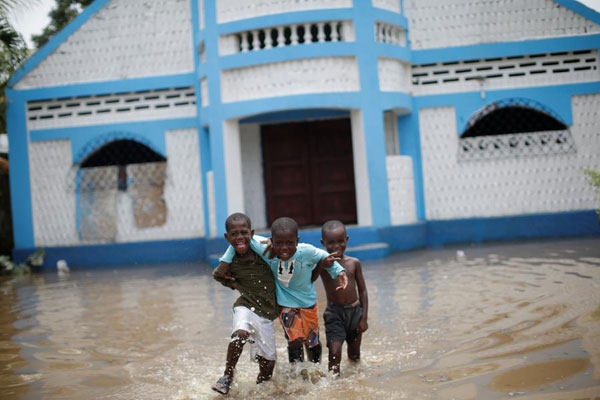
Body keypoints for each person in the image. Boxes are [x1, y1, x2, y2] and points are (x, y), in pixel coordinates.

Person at [216, 216, 348, 367]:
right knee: (295, 340)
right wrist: (225, 261)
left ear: (297, 241)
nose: (284, 248)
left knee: (312, 342)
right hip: (285, 305)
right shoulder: (267, 251)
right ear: (272, 241)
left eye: (290, 243)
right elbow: (242, 240)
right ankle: (296, 374)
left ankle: (315, 370)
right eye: (279, 243)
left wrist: (340, 272)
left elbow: (325, 257)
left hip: (308, 303)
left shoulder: (306, 251)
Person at [211, 213, 279, 395]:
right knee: (240, 333)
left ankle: (258, 393)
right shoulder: (230, 262)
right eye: (234, 234)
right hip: (246, 305)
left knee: (268, 365)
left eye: (244, 232)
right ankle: (227, 376)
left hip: (267, 312)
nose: (239, 237)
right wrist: (234, 284)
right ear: (227, 237)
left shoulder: (264, 254)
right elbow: (217, 275)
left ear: (252, 233)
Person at [315, 220, 368, 376]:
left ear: (347, 239)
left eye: (340, 241)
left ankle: (356, 380)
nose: (336, 246)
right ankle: (334, 386)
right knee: (334, 353)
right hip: (334, 314)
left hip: (355, 312)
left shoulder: (354, 263)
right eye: (331, 242)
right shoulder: (323, 265)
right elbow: (310, 279)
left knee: (354, 354)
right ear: (323, 243)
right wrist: (321, 266)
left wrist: (364, 318)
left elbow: (363, 291)